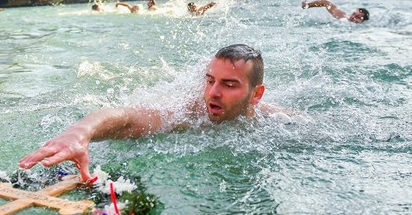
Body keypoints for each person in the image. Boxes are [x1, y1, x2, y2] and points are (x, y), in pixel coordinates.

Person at [19, 44, 274, 181]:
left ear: (256, 94)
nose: (213, 93)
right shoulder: (187, 113)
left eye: (229, 85)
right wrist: (79, 132)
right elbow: (129, 118)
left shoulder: (275, 120)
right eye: (209, 81)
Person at [301, 0, 369, 23]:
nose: (353, 17)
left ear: (362, 21)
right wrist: (307, 5)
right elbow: (325, 2)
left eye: (358, 17)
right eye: (354, 14)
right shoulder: (342, 16)